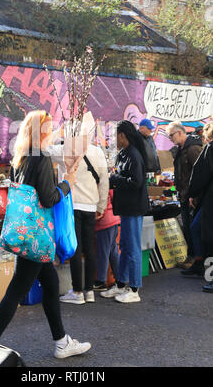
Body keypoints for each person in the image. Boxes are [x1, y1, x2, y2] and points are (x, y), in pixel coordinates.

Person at [0, 110, 91, 359]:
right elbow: (48, 198)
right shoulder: (41, 158)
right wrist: (68, 183)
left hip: (26, 233)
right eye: (49, 128)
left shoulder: (21, 157)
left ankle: (62, 341)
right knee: (17, 289)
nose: (52, 133)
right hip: (36, 236)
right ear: (40, 132)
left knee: (51, 282)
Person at [50, 125, 109, 305]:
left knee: (75, 247)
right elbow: (104, 180)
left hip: (72, 204)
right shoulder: (97, 152)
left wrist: (57, 132)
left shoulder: (65, 150)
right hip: (91, 206)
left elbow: (45, 149)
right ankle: (89, 290)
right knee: (90, 248)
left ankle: (77, 291)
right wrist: (101, 205)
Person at [100, 120, 149, 303]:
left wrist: (115, 179)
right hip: (127, 207)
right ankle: (121, 284)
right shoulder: (124, 154)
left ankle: (134, 289)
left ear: (122, 135)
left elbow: (136, 181)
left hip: (133, 208)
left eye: (116, 135)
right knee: (125, 246)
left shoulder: (133, 155)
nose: (115, 139)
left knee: (132, 247)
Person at [166, 121, 203, 268]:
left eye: (171, 136)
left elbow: (200, 174)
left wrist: (194, 195)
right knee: (187, 227)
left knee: (192, 228)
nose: (170, 139)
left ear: (180, 132)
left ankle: (196, 260)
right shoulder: (182, 149)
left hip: (191, 197)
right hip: (184, 195)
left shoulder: (193, 149)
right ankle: (191, 258)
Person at [188, 121, 213, 293]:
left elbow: (200, 173)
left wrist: (193, 193)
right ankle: (200, 264)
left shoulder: (210, 149)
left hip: (210, 200)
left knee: (209, 237)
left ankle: (210, 277)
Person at [93, 189, 120, 291]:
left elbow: (99, 209)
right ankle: (119, 279)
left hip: (104, 223)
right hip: (113, 219)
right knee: (113, 252)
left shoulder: (96, 187)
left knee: (103, 253)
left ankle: (101, 281)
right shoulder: (107, 185)